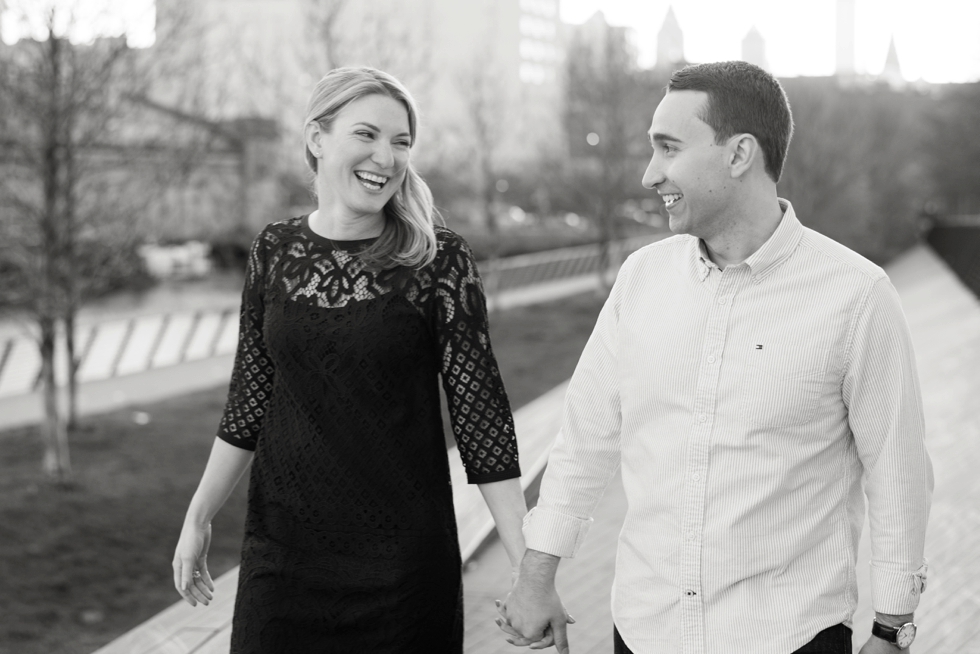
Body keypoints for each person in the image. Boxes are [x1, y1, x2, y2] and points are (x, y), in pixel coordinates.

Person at [498, 61, 933, 654]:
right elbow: (585, 440)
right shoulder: (641, 280)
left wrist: (892, 629)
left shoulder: (857, 296)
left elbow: (898, 472)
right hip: (645, 633)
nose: (651, 175)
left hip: (788, 638)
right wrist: (536, 574)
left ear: (739, 154)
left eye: (668, 149)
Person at [172, 67, 528, 653]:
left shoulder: (438, 262)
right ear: (318, 138)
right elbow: (249, 399)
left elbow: (481, 419)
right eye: (366, 135)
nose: (385, 157)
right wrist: (199, 516)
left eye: (401, 142)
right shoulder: (275, 249)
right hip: (282, 557)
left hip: (402, 571)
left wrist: (527, 567)